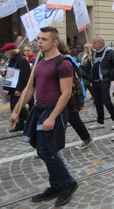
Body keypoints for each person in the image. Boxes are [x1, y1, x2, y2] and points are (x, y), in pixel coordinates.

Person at [9, 26, 78, 207]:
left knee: (46, 151)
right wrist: (16, 110)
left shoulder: (63, 63)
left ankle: (68, 183)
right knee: (41, 148)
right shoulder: (38, 63)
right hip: (39, 110)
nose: (39, 41)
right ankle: (56, 185)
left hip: (53, 111)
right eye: (39, 38)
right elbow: (30, 89)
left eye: (44, 39)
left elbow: (66, 93)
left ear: (55, 42)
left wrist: (52, 117)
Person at [56, 40, 94, 150]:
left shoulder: (66, 60)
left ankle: (50, 146)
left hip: (69, 95)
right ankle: (86, 138)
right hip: (59, 95)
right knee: (69, 119)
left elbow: (77, 78)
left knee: (70, 119)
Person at [89, 36, 114, 130]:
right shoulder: (94, 53)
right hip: (95, 81)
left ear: (101, 44)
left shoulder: (110, 52)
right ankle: (100, 122)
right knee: (97, 102)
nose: (93, 45)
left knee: (106, 101)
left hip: (104, 81)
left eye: (95, 43)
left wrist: (109, 76)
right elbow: (92, 66)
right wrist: (89, 60)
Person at [1, 43, 30, 132]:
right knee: (13, 107)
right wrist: (4, 73)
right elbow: (12, 73)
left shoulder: (21, 60)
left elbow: (24, 76)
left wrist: (20, 89)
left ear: (11, 52)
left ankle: (32, 122)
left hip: (18, 87)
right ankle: (20, 124)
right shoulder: (12, 60)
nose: (5, 54)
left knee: (20, 108)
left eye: (6, 52)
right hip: (13, 87)